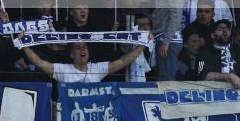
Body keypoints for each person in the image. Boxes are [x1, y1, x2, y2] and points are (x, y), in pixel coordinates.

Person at [22, 38, 150, 83]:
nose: (82, 49)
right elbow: (40, 63)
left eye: (84, 47)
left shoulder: (96, 68)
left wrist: (143, 45)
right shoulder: (64, 70)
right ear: (71, 55)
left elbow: (123, 62)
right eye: (78, 48)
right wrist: (24, 45)